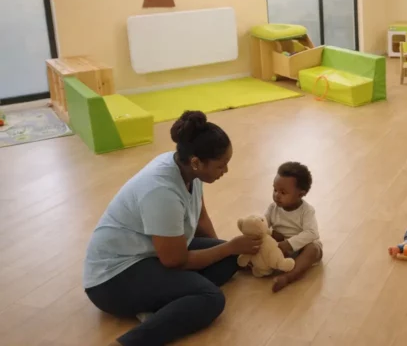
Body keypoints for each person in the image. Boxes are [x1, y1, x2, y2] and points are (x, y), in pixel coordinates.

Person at [83, 111, 262, 346]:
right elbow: (175, 261)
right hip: (112, 278)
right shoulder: (161, 190)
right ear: (197, 162)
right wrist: (228, 247)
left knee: (228, 259)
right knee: (211, 298)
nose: (225, 171)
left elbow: (201, 220)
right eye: (221, 165)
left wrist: (226, 250)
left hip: (150, 255)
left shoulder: (187, 169)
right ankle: (129, 342)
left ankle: (163, 303)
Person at [265, 161, 322, 292]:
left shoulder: (306, 211)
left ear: (300, 194)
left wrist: (288, 244)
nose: (277, 195)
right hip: (281, 247)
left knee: (313, 248)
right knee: (268, 236)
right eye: (275, 189)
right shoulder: (273, 207)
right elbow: (264, 224)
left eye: (283, 192)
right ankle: (260, 264)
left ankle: (289, 276)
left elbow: (312, 233)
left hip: (302, 248)